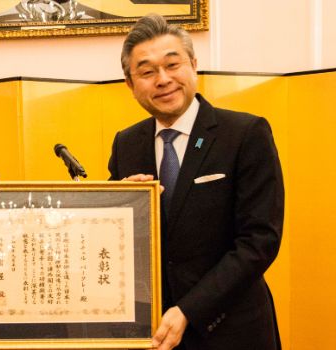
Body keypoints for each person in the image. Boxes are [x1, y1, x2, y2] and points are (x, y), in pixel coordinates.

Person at [107, 14, 285, 350]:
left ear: (193, 66)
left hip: (232, 330)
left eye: (172, 65)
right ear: (130, 84)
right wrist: (124, 204)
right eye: (146, 72)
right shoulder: (126, 143)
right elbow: (110, 237)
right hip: (155, 334)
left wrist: (189, 310)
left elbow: (259, 241)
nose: (163, 80)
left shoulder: (245, 134)